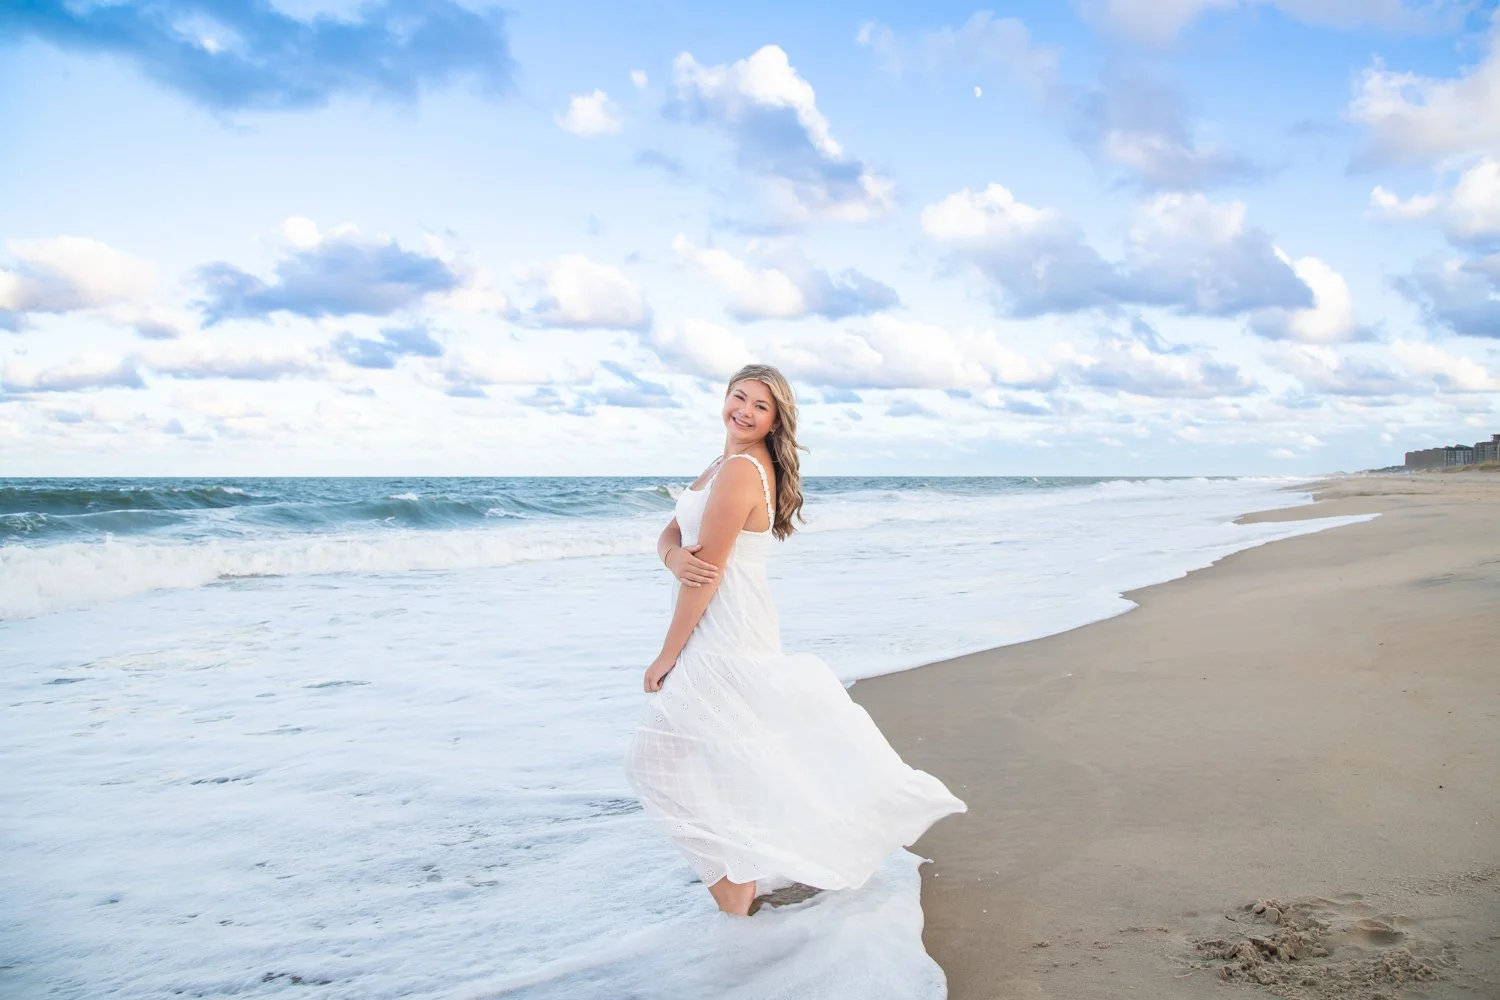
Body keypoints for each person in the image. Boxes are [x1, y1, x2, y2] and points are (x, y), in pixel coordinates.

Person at [625, 363, 966, 916]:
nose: (745, 410)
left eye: (761, 406)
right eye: (739, 397)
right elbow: (673, 534)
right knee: (713, 755)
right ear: (725, 398)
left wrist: (667, 653)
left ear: (776, 418)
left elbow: (706, 575)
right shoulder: (721, 464)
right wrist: (672, 557)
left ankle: (735, 886)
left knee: (656, 760)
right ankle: (738, 877)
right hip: (726, 624)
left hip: (725, 631)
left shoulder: (740, 470)